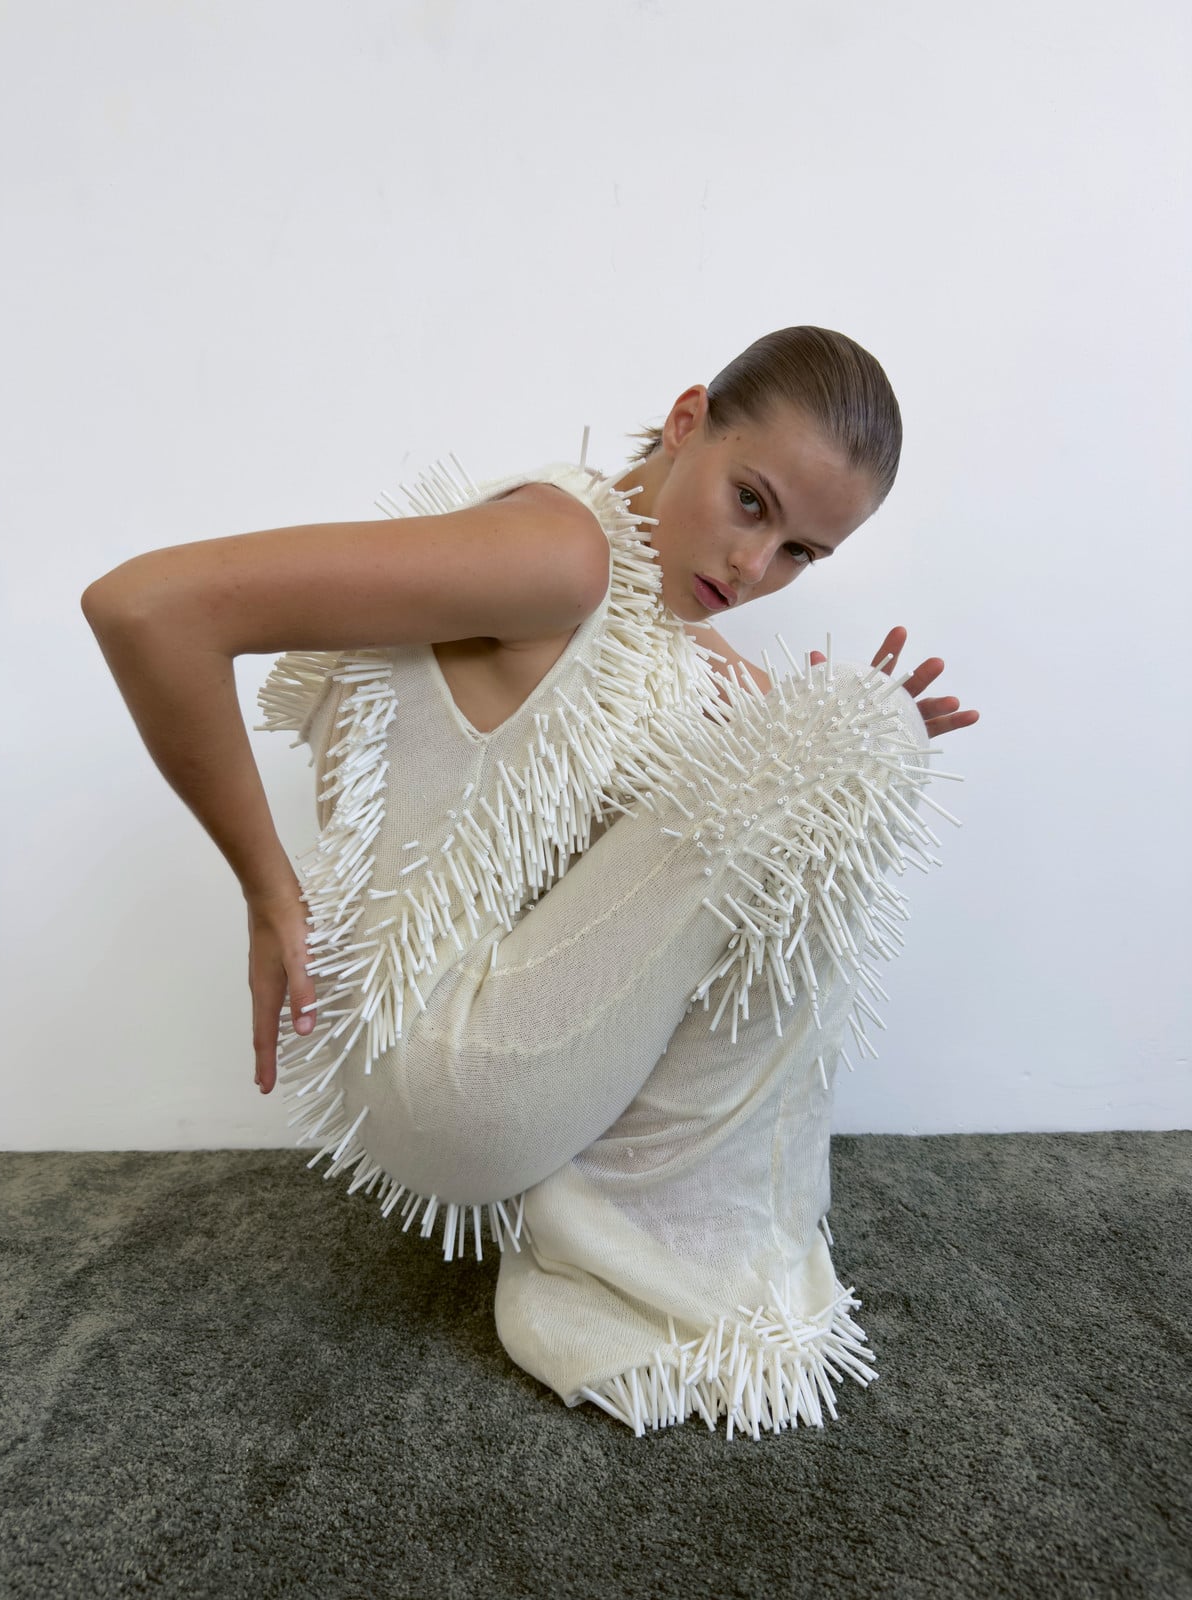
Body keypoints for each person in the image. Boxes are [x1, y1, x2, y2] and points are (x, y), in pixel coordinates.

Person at [83, 326, 979, 1438]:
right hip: (445, 1068)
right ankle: (652, 1279)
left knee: (847, 737)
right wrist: (269, 892)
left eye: (801, 552)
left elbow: (747, 775)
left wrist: (850, 741)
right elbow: (147, 606)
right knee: (854, 726)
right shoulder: (561, 553)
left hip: (481, 1072)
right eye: (751, 502)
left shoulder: (653, 615)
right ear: (688, 419)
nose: (756, 567)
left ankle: (635, 1243)